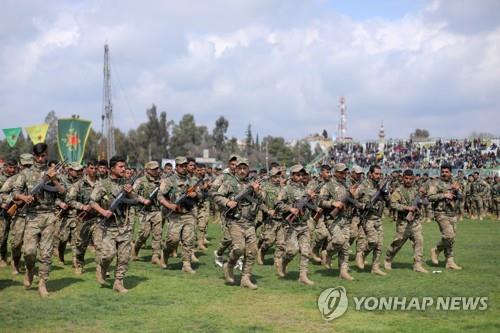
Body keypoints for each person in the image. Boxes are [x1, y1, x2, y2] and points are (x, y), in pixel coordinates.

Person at [90, 155, 150, 293]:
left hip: (125, 225)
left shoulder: (127, 183)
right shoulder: (103, 184)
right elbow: (92, 201)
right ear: (112, 168)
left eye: (125, 166)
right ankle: (102, 267)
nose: (124, 169)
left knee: (124, 257)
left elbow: (135, 198)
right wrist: (103, 211)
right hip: (108, 226)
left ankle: (118, 282)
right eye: (120, 167)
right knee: (108, 255)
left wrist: (132, 195)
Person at [13, 143, 66, 297]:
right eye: (38, 156)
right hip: (32, 216)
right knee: (29, 252)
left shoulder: (53, 172)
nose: (41, 159)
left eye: (43, 156)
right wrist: (25, 197)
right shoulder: (26, 173)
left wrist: (54, 179)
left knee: (46, 253)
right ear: (34, 155)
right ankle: (30, 270)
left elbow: (63, 193)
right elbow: (15, 192)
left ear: (47, 155)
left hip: (49, 216)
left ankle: (43, 282)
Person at [215, 157, 264, 289]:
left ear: (248, 170)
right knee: (238, 248)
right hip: (235, 221)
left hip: (249, 222)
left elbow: (261, 201)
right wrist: (227, 202)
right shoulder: (229, 183)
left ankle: (245, 278)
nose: (242, 171)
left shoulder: (253, 184)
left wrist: (257, 191)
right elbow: (217, 196)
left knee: (252, 251)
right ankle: (229, 265)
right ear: (236, 169)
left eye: (245, 168)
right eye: (240, 168)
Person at [275, 164, 317, 285]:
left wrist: (312, 198)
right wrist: (290, 209)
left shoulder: (305, 189)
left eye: (302, 175)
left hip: (304, 224)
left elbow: (312, 206)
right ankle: (283, 262)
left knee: (305, 251)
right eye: (298, 174)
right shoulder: (286, 189)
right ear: (292, 175)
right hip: (291, 225)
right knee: (292, 250)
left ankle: (303, 276)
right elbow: (278, 204)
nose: (300, 177)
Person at [158, 156, 201, 274]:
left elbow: (200, 195)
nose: (183, 168)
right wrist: (169, 205)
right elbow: (160, 196)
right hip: (174, 214)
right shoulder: (169, 180)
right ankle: (165, 253)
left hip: (188, 213)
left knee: (188, 239)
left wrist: (195, 195)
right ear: (176, 167)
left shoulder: (192, 180)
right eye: (181, 166)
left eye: (184, 166)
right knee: (173, 239)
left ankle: (186, 264)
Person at [384, 169, 429, 273]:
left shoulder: (417, 190)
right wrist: (407, 208)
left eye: (410, 179)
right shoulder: (398, 191)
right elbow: (393, 204)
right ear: (403, 178)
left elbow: (426, 202)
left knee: (419, 241)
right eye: (406, 178)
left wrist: (424, 196)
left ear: (413, 179)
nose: (408, 180)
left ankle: (418, 264)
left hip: (415, 222)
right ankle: (388, 259)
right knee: (397, 243)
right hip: (403, 222)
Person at [319, 163, 356, 280]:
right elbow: (320, 202)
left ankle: (343, 272)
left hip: (345, 218)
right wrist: (332, 203)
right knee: (339, 241)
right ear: (335, 172)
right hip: (333, 219)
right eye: (341, 172)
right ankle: (328, 253)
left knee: (345, 247)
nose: (343, 174)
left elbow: (351, 200)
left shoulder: (347, 184)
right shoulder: (328, 185)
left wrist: (353, 196)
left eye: (345, 172)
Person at [354, 164, 389, 276]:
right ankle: (361, 254)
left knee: (379, 246)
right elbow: (354, 201)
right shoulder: (363, 186)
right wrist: (363, 206)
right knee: (373, 241)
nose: (378, 176)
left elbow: (389, 204)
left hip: (378, 218)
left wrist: (386, 194)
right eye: (376, 174)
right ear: (370, 174)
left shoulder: (381, 186)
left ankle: (375, 267)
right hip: (367, 218)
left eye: (380, 174)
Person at [428, 163, 463, 270]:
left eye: (446, 172)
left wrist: (457, 190)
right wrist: (444, 194)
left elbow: (461, 197)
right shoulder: (435, 183)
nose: (444, 173)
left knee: (451, 240)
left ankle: (450, 261)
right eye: (442, 171)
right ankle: (436, 250)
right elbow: (430, 197)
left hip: (452, 212)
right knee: (449, 235)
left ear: (450, 172)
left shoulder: (455, 182)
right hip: (441, 213)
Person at [132, 161, 163, 267]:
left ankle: (155, 256)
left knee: (157, 234)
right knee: (144, 234)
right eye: (154, 169)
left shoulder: (160, 181)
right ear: (147, 170)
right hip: (145, 211)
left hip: (157, 210)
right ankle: (135, 248)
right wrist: (143, 200)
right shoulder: (140, 181)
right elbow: (132, 194)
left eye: (157, 168)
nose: (156, 171)